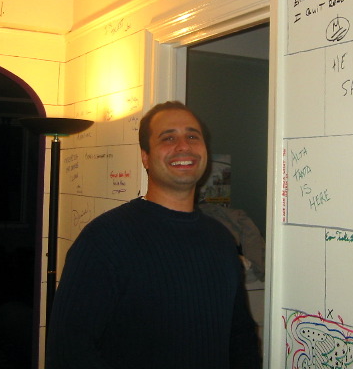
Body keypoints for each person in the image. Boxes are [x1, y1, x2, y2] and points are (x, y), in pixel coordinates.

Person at [46, 101, 262, 369]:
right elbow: (68, 352)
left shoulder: (221, 239)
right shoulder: (103, 240)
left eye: (192, 137)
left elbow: (240, 337)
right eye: (168, 138)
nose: (183, 146)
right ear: (145, 157)